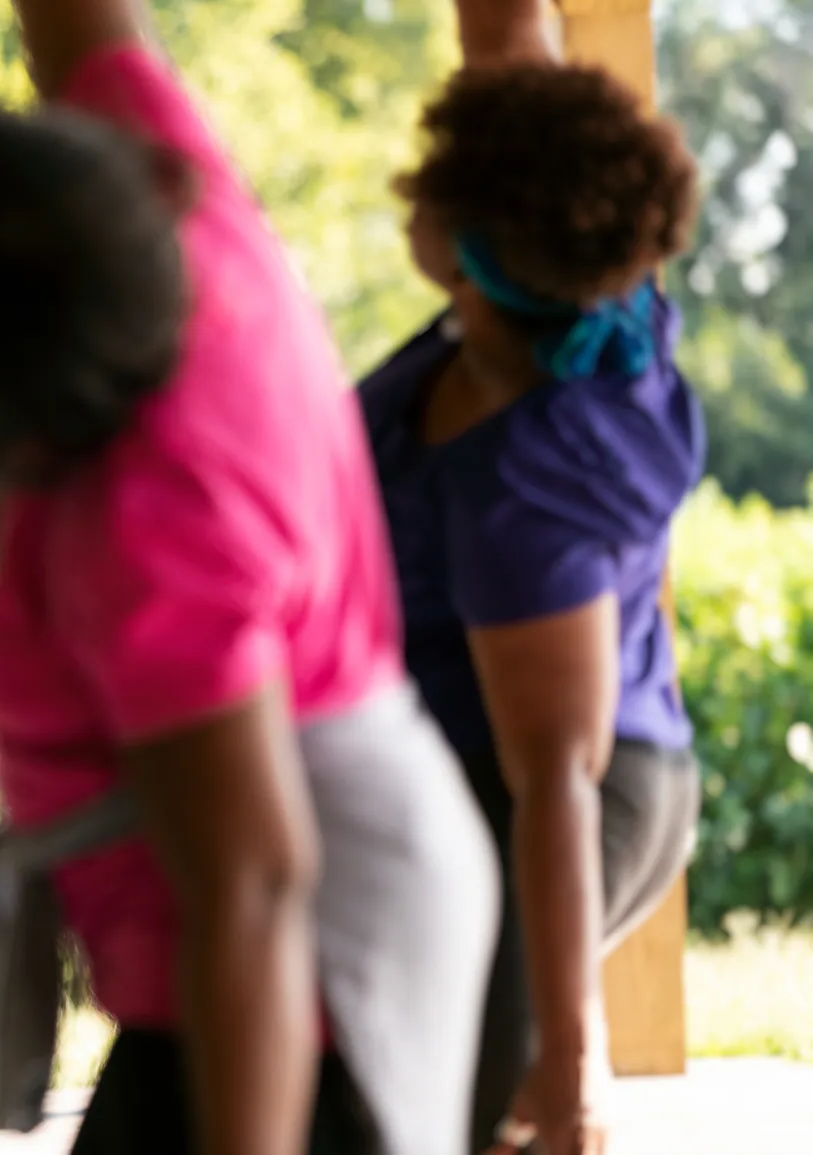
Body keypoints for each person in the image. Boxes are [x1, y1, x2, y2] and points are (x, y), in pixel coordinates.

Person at [0, 2, 498, 1153]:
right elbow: (82, 26)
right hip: (237, 921)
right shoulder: (139, 201)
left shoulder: (150, 524)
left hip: (297, 970)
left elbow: (255, 888)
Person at [356, 4, 704, 1153]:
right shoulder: (590, 286)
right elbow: (511, 34)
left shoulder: (521, 475)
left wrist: (573, 1062)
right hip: (524, 791)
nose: (409, 186)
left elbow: (555, 770)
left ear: (461, 243)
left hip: (554, 815)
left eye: (429, 181)